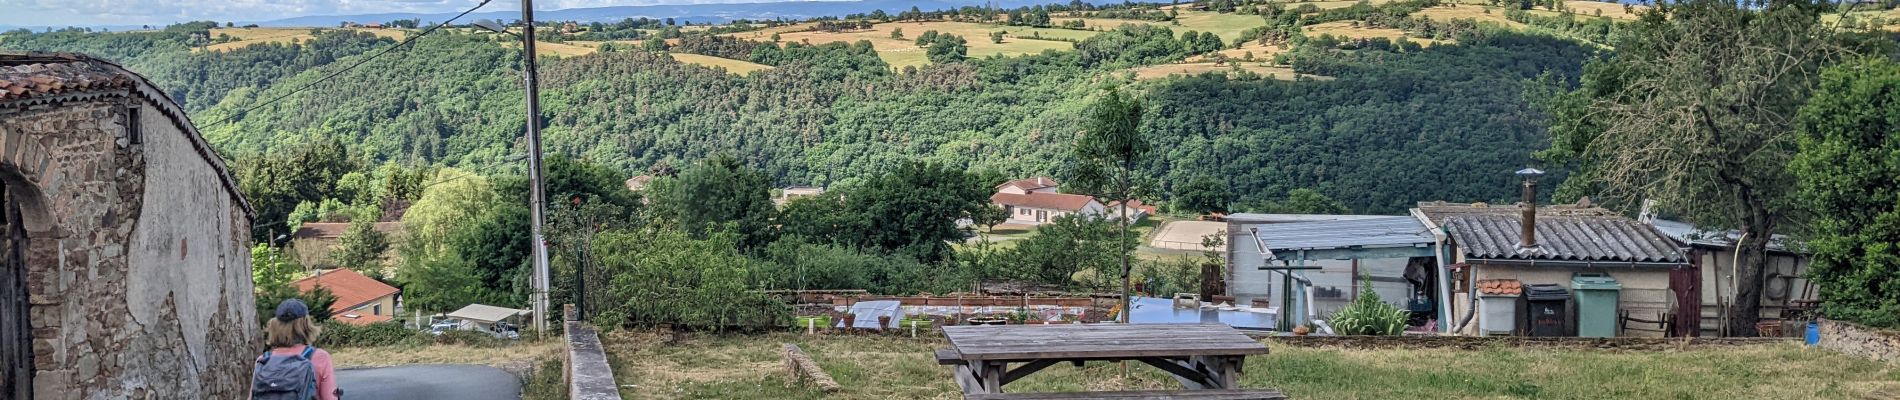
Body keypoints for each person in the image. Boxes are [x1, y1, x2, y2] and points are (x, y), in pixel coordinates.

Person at [252, 299, 340, 400]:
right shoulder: (319, 357)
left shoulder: (264, 360)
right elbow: (330, 397)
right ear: (306, 324)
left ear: (274, 325)